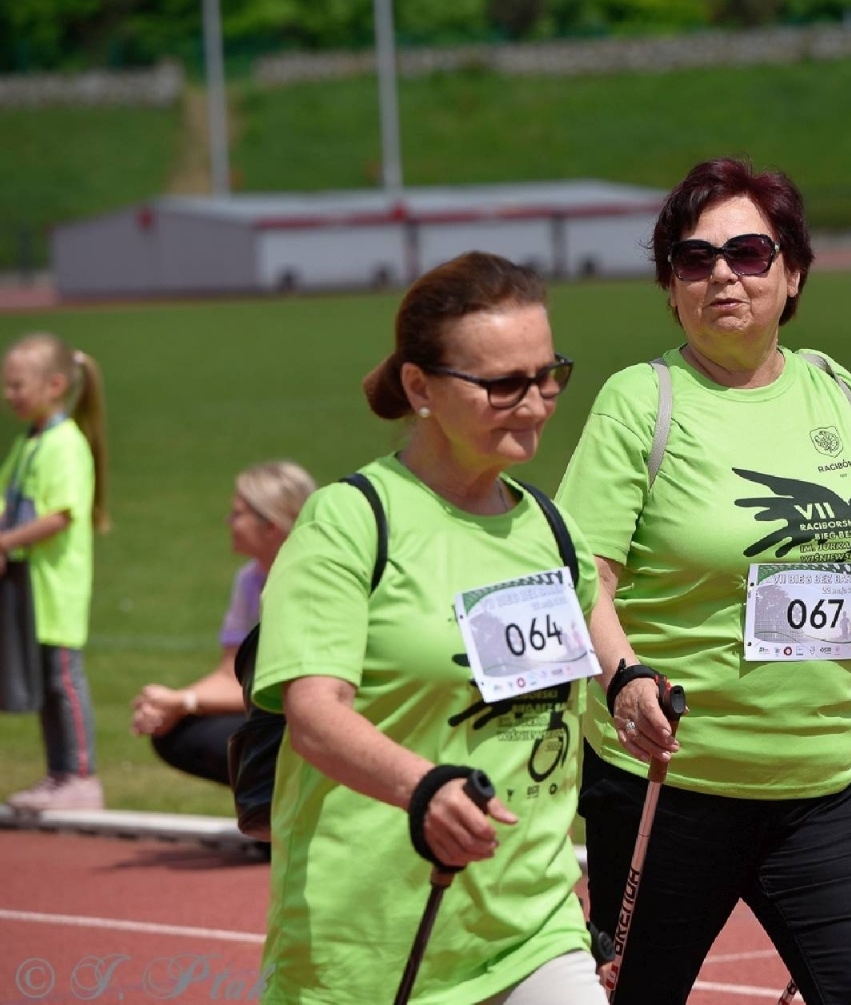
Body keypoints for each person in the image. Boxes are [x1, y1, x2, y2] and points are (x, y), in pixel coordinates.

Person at [557, 156, 851, 1005]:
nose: (723, 272)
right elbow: (582, 579)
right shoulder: (640, 403)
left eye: (750, 253)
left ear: (791, 272)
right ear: (672, 286)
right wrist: (624, 680)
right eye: (694, 258)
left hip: (821, 792)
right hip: (670, 789)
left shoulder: (836, 391)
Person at [249, 251, 608, 1004]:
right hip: (367, 951)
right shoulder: (350, 523)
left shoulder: (551, 527)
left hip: (532, 933)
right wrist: (424, 788)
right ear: (420, 387)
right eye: (503, 384)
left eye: (548, 375)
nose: (538, 403)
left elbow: (554, 720)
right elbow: (313, 717)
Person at [129, 461, 316, 786]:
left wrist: (187, 702)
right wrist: (171, 703)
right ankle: (267, 819)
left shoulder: (316, 580)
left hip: (317, 714)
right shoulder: (250, 579)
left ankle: (289, 821)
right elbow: (231, 675)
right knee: (173, 731)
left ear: (270, 526)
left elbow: (296, 690)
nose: (228, 522)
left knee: (256, 742)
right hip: (277, 712)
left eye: (237, 514)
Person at [2, 333, 111, 813]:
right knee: (45, 682)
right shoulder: (30, 443)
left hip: (54, 585)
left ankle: (82, 775)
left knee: (64, 681)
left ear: (54, 385)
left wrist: (5, 542)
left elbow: (61, 514)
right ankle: (59, 773)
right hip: (28, 588)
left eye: (17, 385)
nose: (9, 395)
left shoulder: (65, 444)